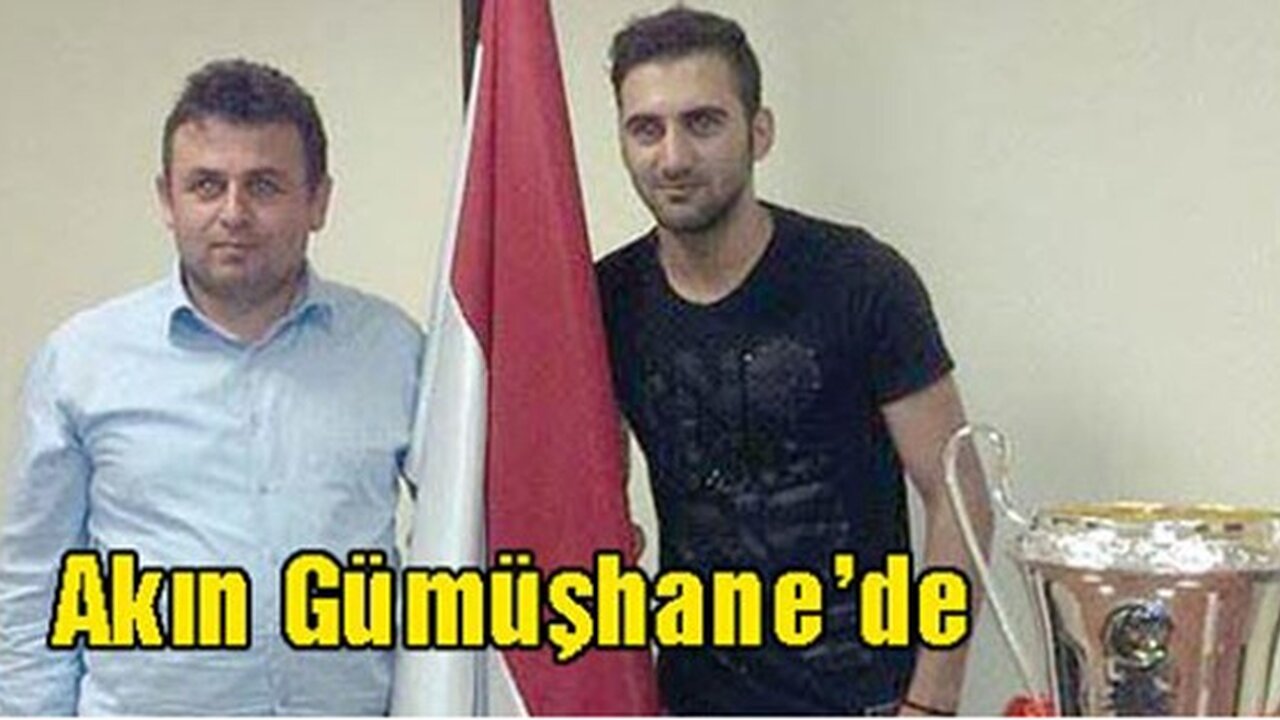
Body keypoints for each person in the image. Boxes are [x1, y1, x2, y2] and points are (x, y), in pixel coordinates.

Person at [596, 7, 994, 715]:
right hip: (689, 702)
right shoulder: (606, 299)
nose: (673, 157)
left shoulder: (861, 279)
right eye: (646, 129)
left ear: (760, 132)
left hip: (861, 699)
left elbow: (959, 498)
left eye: (703, 122)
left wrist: (932, 704)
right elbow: (582, 490)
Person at [0, 59, 422, 714]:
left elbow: (465, 537)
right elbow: (34, 590)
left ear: (318, 201)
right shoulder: (83, 361)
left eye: (264, 185)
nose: (233, 213)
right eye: (205, 185)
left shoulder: (394, 350)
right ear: (167, 200)